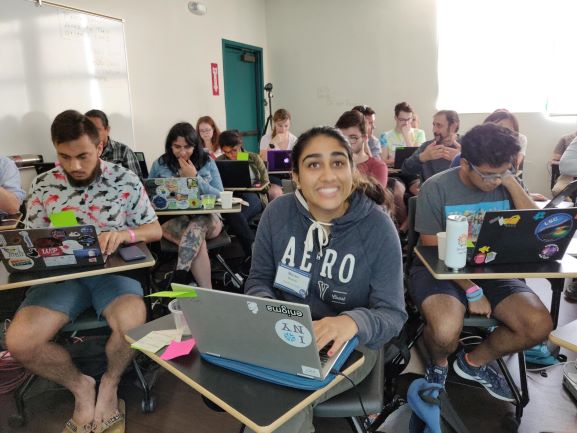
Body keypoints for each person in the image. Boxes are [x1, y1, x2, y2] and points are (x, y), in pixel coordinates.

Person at [5, 110, 162, 433]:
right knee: (20, 342)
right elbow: (32, 235)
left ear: (100, 146)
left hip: (113, 274)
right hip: (61, 279)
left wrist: (126, 234)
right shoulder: (43, 185)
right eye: (64, 157)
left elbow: (154, 230)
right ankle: (81, 386)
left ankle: (109, 383)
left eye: (83, 156)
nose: (74, 165)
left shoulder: (124, 180)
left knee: (132, 324)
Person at [245, 126, 407, 433]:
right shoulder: (277, 214)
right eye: (313, 164)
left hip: (352, 344)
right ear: (296, 176)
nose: (328, 175)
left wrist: (351, 322)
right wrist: (268, 312)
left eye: (337, 162)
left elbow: (393, 315)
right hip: (284, 333)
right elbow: (259, 280)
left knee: (283, 404)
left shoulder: (377, 228)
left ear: (351, 168)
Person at [409, 123, 552, 401]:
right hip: (440, 270)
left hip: (492, 267)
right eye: (488, 175)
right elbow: (431, 250)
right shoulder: (435, 188)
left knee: (538, 325)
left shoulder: (505, 182)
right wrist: (470, 287)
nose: (494, 181)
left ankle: (472, 362)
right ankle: (439, 364)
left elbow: (537, 225)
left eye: (503, 172)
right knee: (445, 330)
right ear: (465, 163)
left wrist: (511, 181)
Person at [149, 122, 224, 288]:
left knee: (197, 225)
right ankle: (206, 292)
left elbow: (219, 194)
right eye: (177, 147)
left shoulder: (207, 162)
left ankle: (178, 280)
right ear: (170, 146)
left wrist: (195, 177)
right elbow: (148, 193)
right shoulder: (160, 164)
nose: (182, 152)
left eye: (187, 147)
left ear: (195, 146)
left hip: (207, 218)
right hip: (173, 219)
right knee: (197, 241)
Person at [335, 110, 397, 218]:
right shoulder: (333, 164)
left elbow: (374, 200)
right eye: (342, 138)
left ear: (364, 138)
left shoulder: (378, 166)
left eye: (353, 138)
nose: (347, 143)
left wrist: (350, 164)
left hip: (366, 220)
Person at [218, 130, 269, 258]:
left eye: (234, 150)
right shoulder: (219, 161)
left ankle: (250, 254)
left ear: (240, 145)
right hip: (229, 198)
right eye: (226, 152)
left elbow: (266, 184)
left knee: (233, 215)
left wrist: (256, 186)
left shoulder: (252, 157)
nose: (231, 155)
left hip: (252, 196)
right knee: (233, 213)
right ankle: (254, 253)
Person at [401, 110, 461, 183]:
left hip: (460, 194)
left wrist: (461, 159)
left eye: (439, 125)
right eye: (434, 125)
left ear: (453, 126)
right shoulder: (427, 147)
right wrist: (423, 157)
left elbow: (477, 174)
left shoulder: (467, 145)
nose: (434, 130)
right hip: (430, 193)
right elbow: (405, 170)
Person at [85, 109, 143, 178]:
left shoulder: (123, 151)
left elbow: (137, 183)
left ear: (107, 130)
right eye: (88, 130)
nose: (92, 133)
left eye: (97, 129)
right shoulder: (80, 153)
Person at [259, 109, 296, 200]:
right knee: (275, 193)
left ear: (290, 124)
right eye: (280, 126)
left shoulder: (293, 140)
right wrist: (273, 143)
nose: (283, 129)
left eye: (286, 126)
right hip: (272, 175)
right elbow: (262, 159)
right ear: (274, 123)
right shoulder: (266, 138)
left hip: (290, 174)